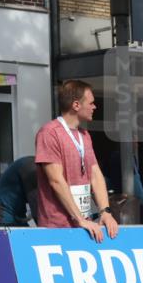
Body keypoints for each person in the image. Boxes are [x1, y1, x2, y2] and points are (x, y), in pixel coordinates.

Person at [34, 80, 118, 243]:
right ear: (76, 105)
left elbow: (95, 174)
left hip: (84, 226)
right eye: (91, 103)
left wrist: (105, 212)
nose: (95, 107)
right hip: (57, 228)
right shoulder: (49, 133)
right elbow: (56, 181)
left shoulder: (84, 135)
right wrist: (80, 219)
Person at [0, 156, 37, 227]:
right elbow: (37, 209)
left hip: (15, 215)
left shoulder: (31, 164)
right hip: (1, 216)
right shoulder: (31, 168)